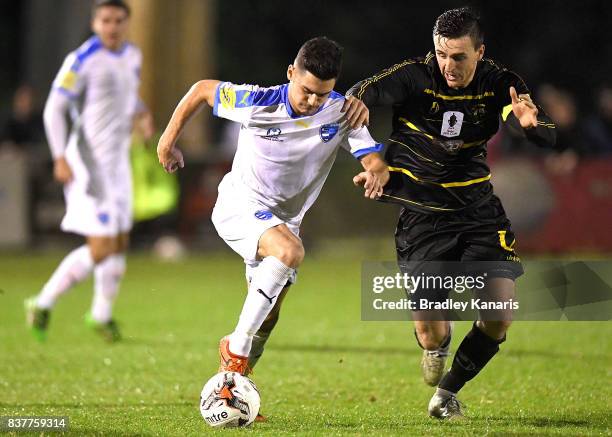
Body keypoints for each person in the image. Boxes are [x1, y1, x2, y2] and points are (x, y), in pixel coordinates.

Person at [157, 36, 388, 417]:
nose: (313, 101)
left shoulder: (341, 112)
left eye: (322, 94)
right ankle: (235, 351)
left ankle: (232, 391)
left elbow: (372, 158)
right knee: (291, 252)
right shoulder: (258, 101)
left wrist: (376, 174)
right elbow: (201, 90)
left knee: (270, 315)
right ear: (291, 73)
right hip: (239, 206)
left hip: (284, 222)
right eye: (307, 90)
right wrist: (168, 140)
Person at [343, 7, 556, 419]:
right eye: (441, 54)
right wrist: (366, 136)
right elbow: (361, 92)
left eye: (458, 57)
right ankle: (437, 343)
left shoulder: (500, 82)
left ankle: (446, 394)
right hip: (422, 215)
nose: (448, 65)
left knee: (499, 315)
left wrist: (530, 125)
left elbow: (532, 126)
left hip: (478, 212)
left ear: (480, 51)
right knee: (430, 331)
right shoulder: (416, 76)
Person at [25, 0, 151, 342]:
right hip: (88, 165)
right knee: (101, 246)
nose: (112, 26)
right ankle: (42, 301)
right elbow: (54, 109)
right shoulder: (82, 60)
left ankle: (100, 314)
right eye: (105, 20)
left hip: (118, 164)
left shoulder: (132, 55)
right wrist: (59, 157)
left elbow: (127, 96)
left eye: (118, 20)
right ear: (95, 23)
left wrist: (142, 112)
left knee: (120, 241)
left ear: (127, 23)